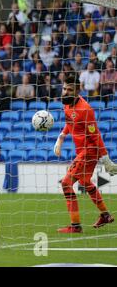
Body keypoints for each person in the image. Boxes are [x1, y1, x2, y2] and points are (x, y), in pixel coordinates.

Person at [54, 74, 116, 233]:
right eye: (64, 89)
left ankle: (75, 226)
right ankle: (105, 215)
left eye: (69, 90)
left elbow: (95, 136)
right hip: (81, 151)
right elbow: (70, 123)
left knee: (66, 183)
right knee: (85, 182)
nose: (66, 92)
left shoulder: (85, 109)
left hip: (89, 151)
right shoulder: (66, 104)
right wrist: (61, 137)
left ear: (77, 91)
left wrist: (106, 159)